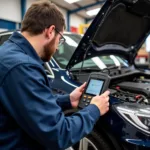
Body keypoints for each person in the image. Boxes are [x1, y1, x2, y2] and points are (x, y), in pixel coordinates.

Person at [0, 1, 110, 150]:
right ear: (50, 31)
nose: (58, 47)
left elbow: (27, 104)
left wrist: (67, 100)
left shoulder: (8, 52)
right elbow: (59, 135)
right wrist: (94, 109)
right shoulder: (23, 67)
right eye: (60, 39)